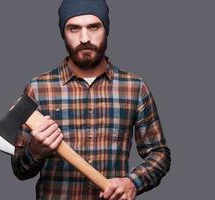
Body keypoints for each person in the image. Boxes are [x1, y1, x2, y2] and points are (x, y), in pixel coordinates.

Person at [11, 0, 171, 199]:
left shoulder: (135, 88)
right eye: (74, 28)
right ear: (63, 33)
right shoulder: (37, 89)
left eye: (94, 27)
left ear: (106, 30)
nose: (84, 38)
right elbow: (19, 169)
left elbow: (159, 154)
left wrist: (133, 182)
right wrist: (35, 151)